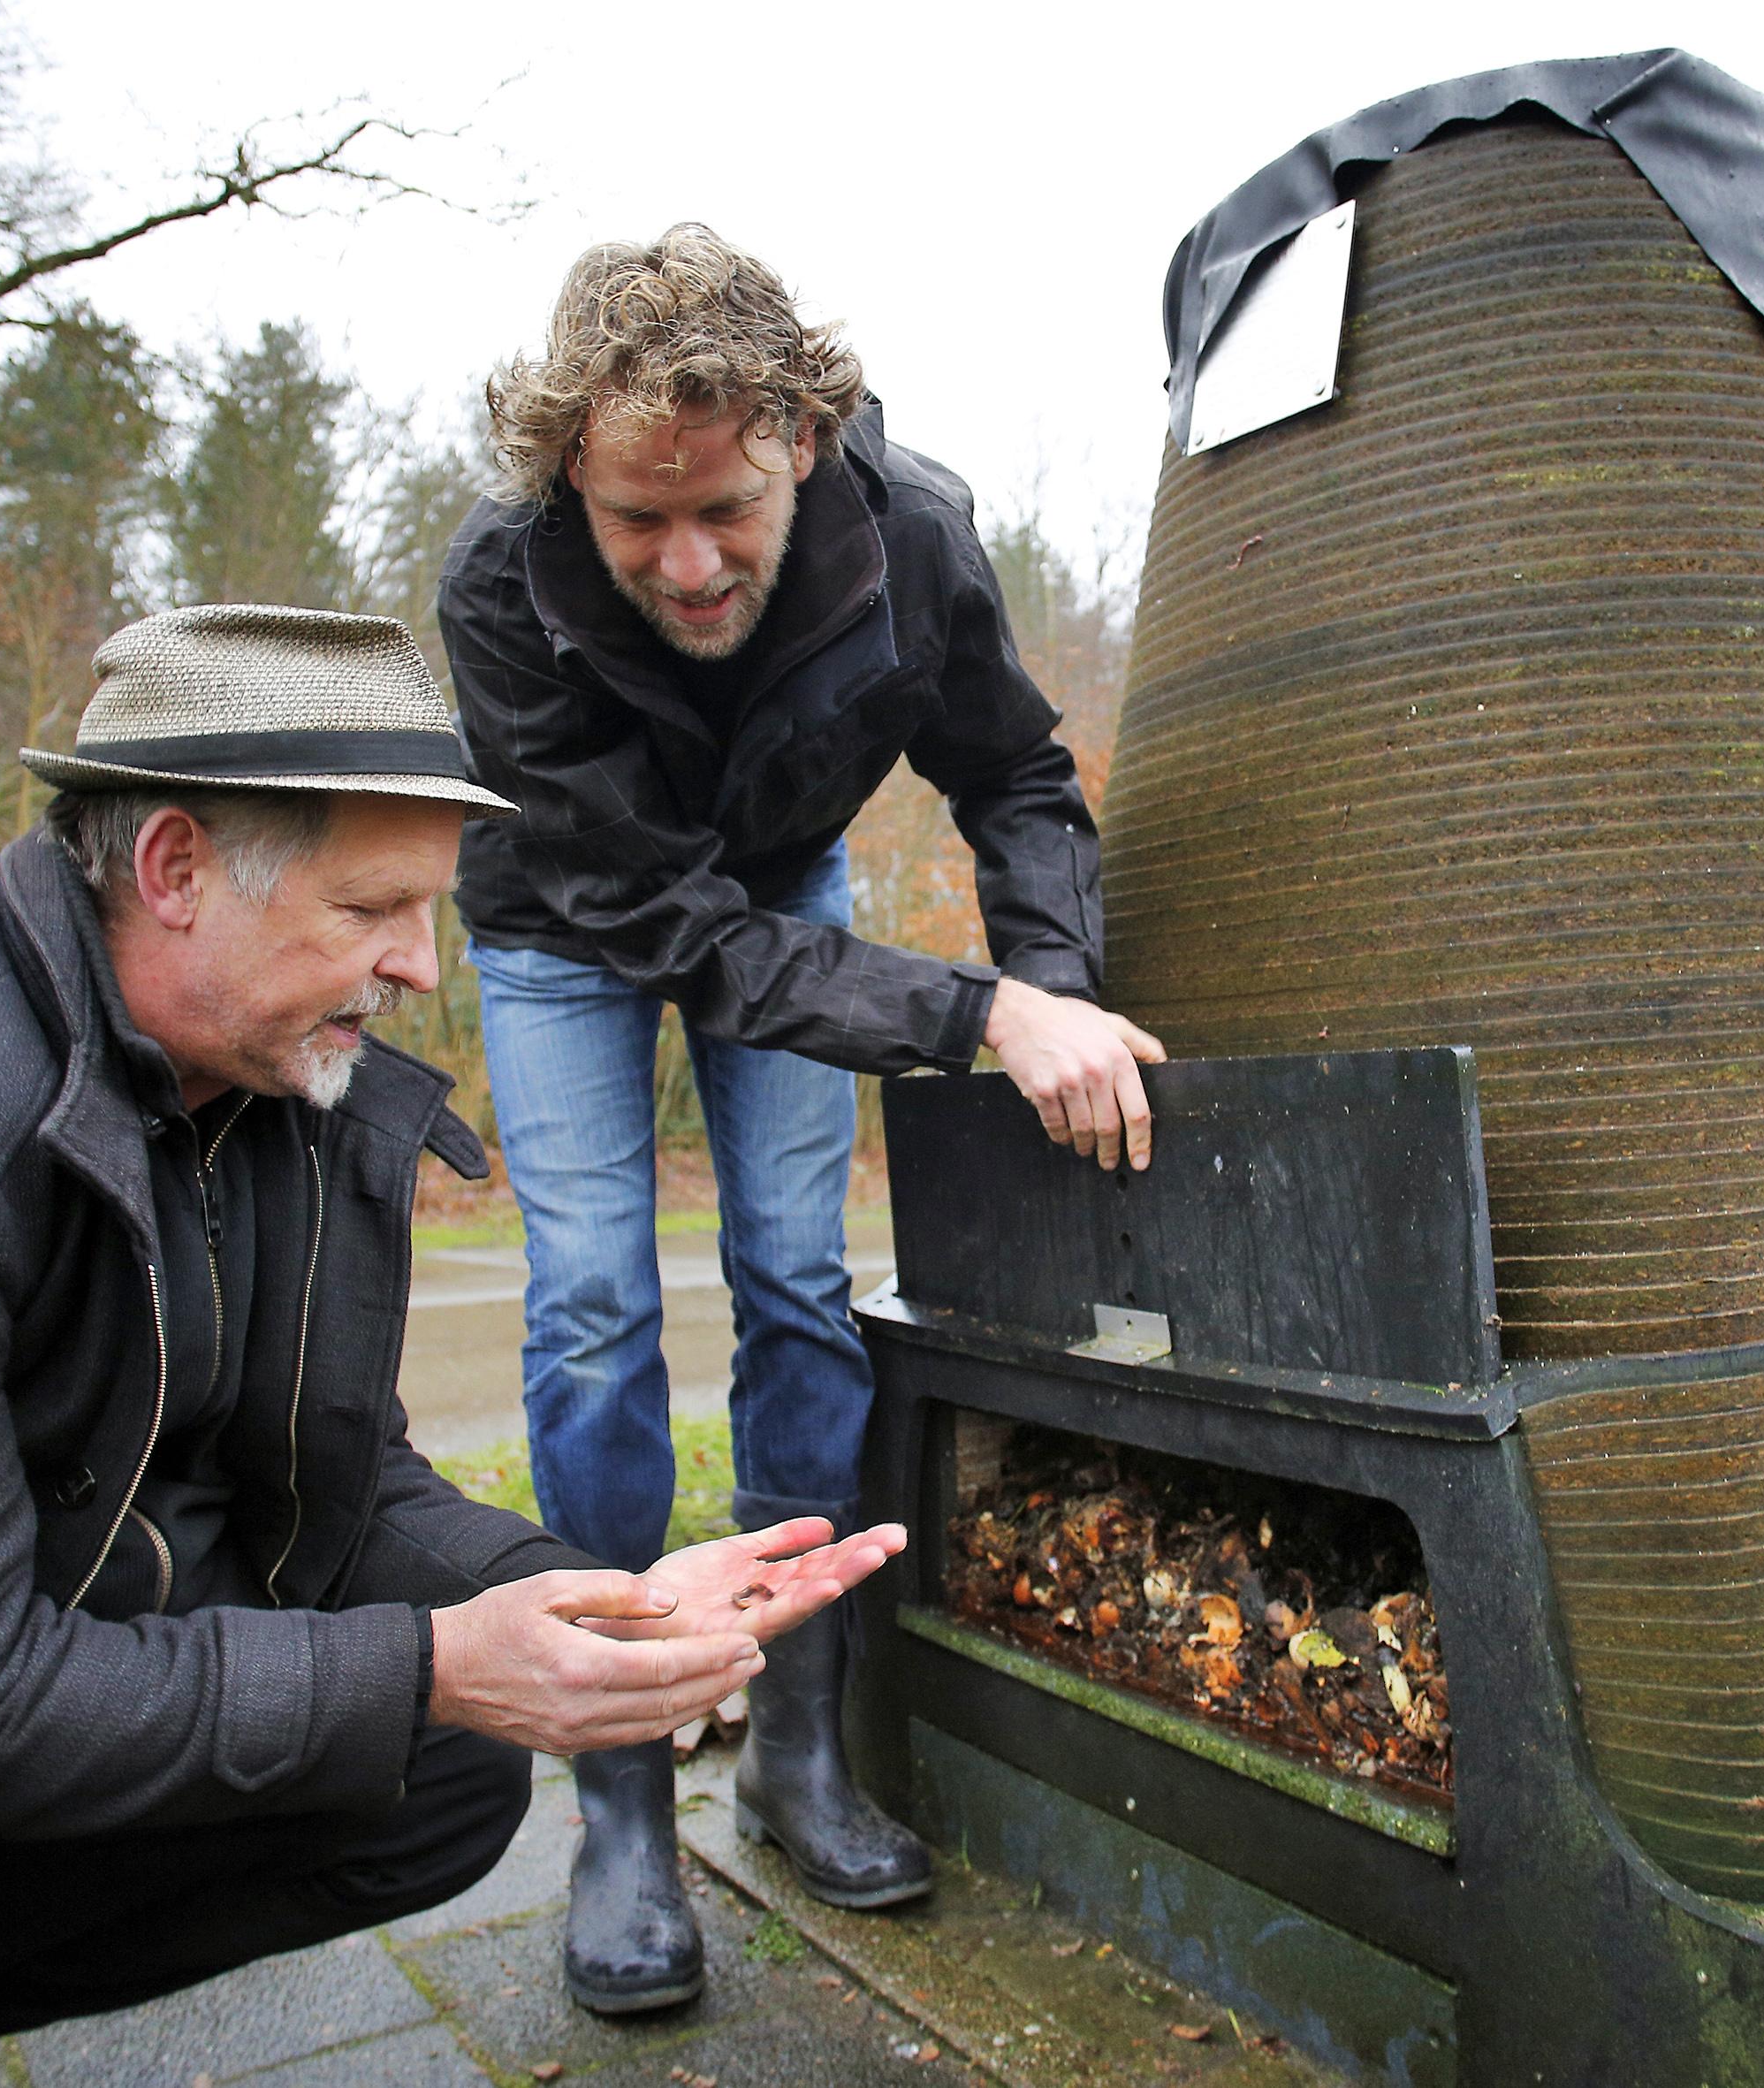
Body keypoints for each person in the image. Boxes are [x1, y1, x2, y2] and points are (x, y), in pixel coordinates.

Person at [0, 604, 903, 2088]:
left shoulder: (255, 1073)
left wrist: (576, 1608)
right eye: (369, 910)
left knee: (437, 1766)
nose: (420, 967)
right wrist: (429, 1661)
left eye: (428, 911)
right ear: (173, 870)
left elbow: (338, 1488)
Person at [439, 225, 1165, 2011]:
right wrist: (970, 1009)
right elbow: (668, 924)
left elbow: (1011, 769)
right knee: (598, 1303)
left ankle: (795, 1743)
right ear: (567, 481)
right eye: (635, 522)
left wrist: (1050, 986)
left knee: (792, 1287)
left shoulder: (911, 534)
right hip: (567, 922)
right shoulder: (495, 586)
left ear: (802, 443)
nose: (687, 564)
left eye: (728, 513)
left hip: (789, 882)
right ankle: (621, 1792)